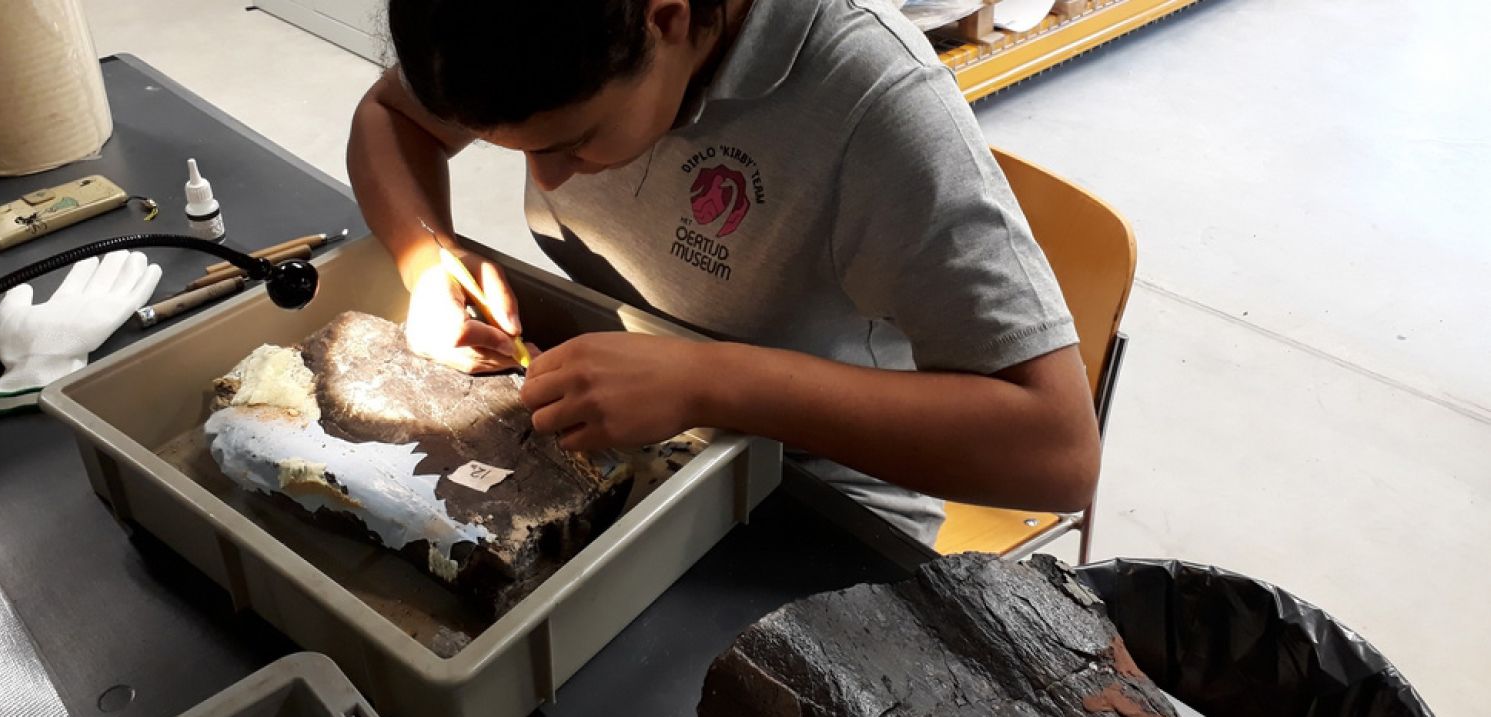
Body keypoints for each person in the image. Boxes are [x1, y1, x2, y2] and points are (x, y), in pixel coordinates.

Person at [346, 0, 1100, 545]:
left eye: (573, 142)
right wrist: (428, 258)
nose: (547, 182)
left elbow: (1056, 453)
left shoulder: (872, 102)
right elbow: (393, 115)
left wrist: (706, 383)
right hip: (613, 431)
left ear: (668, 20)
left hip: (806, 493)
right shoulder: (521, 32)